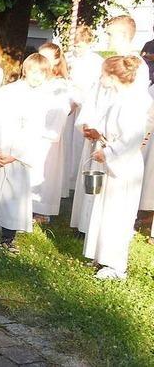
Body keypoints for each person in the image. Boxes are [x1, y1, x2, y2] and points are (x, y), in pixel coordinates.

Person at [80, 56, 151, 279]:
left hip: (125, 166)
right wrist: (98, 135)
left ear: (113, 76)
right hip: (113, 162)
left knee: (118, 214)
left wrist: (108, 153)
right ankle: (101, 256)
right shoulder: (118, 99)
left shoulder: (131, 102)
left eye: (103, 74)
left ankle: (116, 265)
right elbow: (114, 131)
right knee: (104, 211)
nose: (101, 79)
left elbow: (133, 137)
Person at [0, 54, 46, 253]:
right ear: (26, 69)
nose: (38, 77)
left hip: (19, 154)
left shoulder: (42, 98)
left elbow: (35, 132)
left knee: (13, 196)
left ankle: (8, 236)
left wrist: (17, 154)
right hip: (1, 148)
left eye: (42, 73)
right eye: (34, 71)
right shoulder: (7, 92)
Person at [31, 43, 71, 221]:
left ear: (56, 60)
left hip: (48, 134)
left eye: (47, 57)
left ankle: (43, 210)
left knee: (46, 170)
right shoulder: (39, 80)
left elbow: (61, 109)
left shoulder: (59, 85)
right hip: (34, 131)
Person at [67, 26, 104, 191]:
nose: (77, 49)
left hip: (84, 106)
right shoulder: (71, 59)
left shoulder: (96, 61)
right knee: (68, 143)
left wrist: (78, 100)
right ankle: (66, 180)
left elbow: (93, 87)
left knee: (78, 144)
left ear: (88, 43)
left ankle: (76, 179)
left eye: (80, 45)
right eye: (75, 45)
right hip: (70, 104)